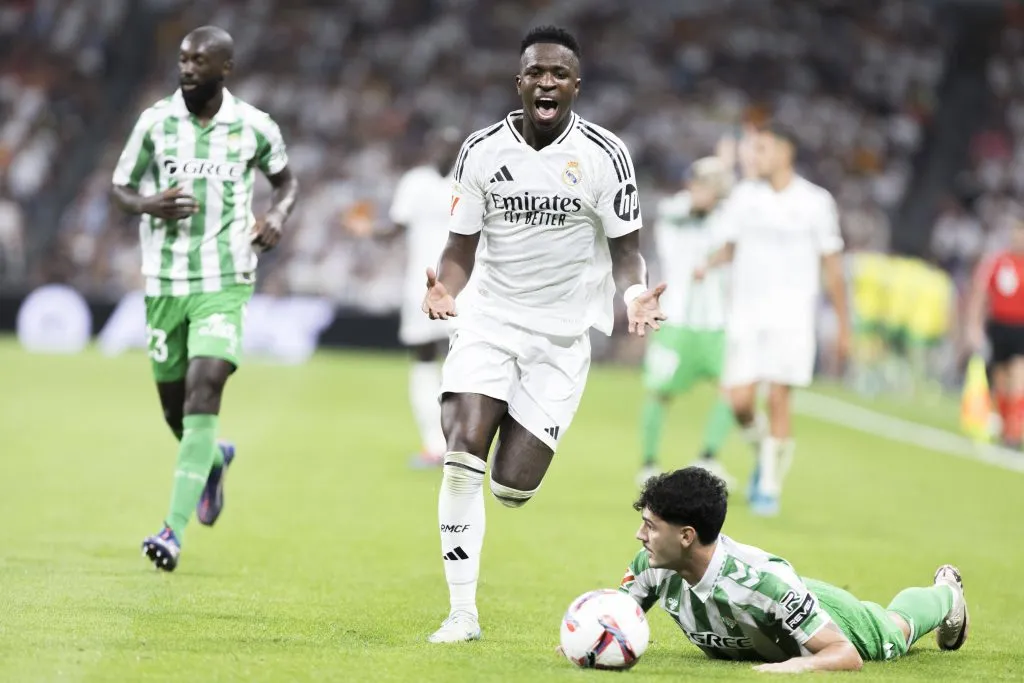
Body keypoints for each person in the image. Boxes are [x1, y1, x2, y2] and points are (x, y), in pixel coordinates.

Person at [420, 25, 666, 643]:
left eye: (559, 74)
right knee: (461, 454)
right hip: (489, 321)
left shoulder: (606, 156)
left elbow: (627, 252)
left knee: (509, 487)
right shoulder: (480, 151)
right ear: (520, 82)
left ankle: (509, 452)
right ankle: (462, 613)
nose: (547, 82)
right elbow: (458, 250)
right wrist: (447, 289)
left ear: (576, 86)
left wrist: (635, 294)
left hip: (561, 339)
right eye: (536, 72)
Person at [110, 25, 298, 571]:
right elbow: (119, 188)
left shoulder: (254, 126)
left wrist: (278, 217)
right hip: (165, 283)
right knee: (177, 411)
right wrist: (148, 204)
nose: (187, 67)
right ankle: (213, 459)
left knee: (205, 387)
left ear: (225, 69)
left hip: (225, 280)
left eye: (199, 60)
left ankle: (172, 531)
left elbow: (287, 183)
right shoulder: (155, 122)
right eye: (183, 59)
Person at [619, 467, 969, 672]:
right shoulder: (652, 565)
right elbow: (615, 615)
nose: (640, 535)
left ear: (686, 536)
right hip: (790, 597)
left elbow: (844, 653)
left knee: (894, 631)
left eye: (651, 526)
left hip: (829, 614)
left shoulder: (762, 584)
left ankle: (947, 594)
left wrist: (793, 666)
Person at [695, 123, 850, 516]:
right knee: (740, 399)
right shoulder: (745, 198)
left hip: (793, 316)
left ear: (785, 152)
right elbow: (730, 248)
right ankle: (764, 453)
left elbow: (832, 266)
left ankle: (768, 486)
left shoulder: (816, 202)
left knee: (779, 398)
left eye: (762, 150)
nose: (754, 157)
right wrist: (706, 266)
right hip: (746, 313)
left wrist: (844, 325)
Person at [637, 156, 736, 488]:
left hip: (716, 323)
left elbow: (732, 246)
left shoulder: (728, 218)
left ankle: (708, 456)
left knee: (732, 390)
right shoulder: (674, 210)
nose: (698, 189)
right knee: (659, 391)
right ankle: (648, 463)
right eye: (696, 182)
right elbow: (689, 214)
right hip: (676, 320)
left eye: (707, 184)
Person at [389, 127, 464, 468]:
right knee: (423, 360)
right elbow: (395, 226)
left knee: (461, 364)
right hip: (418, 286)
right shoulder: (415, 182)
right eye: (441, 143)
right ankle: (433, 443)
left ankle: (459, 442)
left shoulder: (469, 183)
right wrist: (367, 230)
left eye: (452, 144)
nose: (445, 149)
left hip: (462, 288)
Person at [966, 217, 1024, 448]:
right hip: (998, 325)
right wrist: (973, 324)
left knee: (1018, 375)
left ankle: (1014, 431)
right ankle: (1002, 425)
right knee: (1000, 378)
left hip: (1021, 327)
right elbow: (980, 293)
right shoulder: (997, 261)